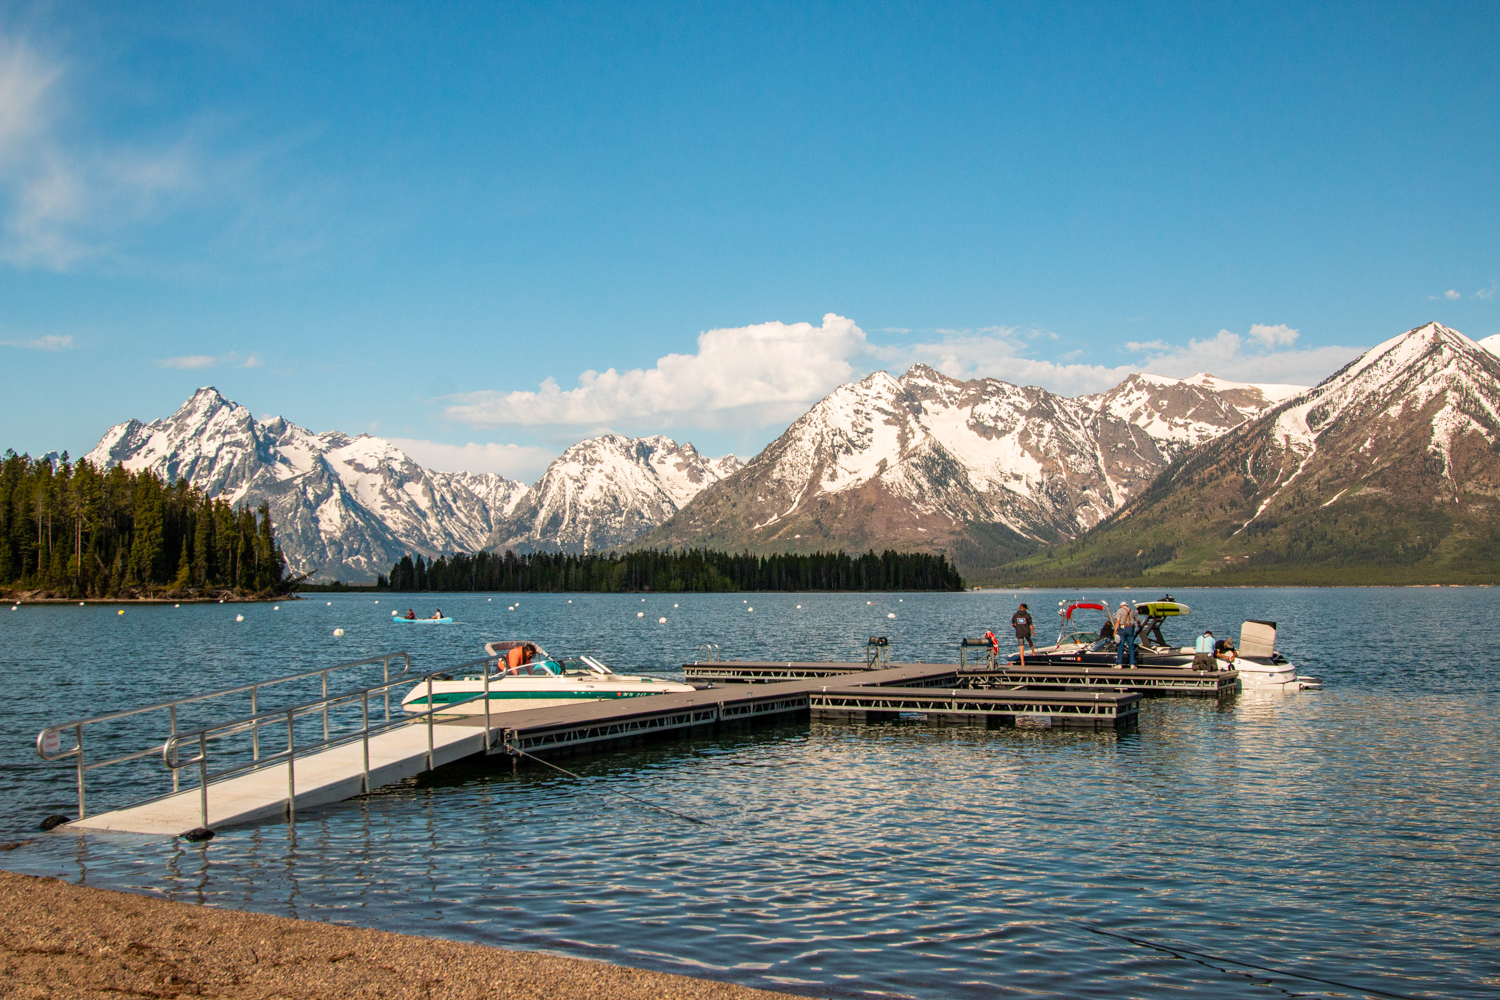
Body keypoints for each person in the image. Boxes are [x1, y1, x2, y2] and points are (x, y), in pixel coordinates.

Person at [1114, 601, 1139, 667]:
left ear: (1121, 605)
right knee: (1131, 646)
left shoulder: (1120, 610)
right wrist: (1140, 625)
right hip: (1130, 628)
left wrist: (1115, 631)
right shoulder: (1132, 611)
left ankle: (1119, 663)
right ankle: (1132, 664)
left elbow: (1118, 621)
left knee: (1121, 646)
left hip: (1122, 628)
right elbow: (1137, 620)